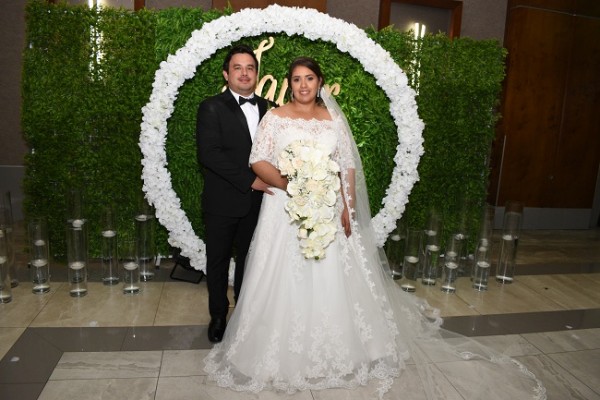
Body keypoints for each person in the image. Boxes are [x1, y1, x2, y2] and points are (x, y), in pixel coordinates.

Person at [204, 57, 546, 399]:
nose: (303, 85)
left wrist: (348, 209)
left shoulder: (333, 120)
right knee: (280, 277)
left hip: (328, 207)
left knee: (329, 275)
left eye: (310, 78)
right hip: (285, 210)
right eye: (296, 79)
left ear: (320, 82)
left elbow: (347, 165)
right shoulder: (274, 118)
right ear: (288, 83)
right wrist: (295, 185)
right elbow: (257, 160)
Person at [196, 44, 273, 343]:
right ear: (226, 74)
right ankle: (218, 315)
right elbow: (209, 154)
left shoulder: (268, 109)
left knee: (250, 260)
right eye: (238, 68)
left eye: (250, 68)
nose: (244, 73)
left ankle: (244, 312)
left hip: (259, 202)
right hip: (222, 201)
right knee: (217, 260)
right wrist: (249, 179)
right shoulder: (211, 106)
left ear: (256, 74)